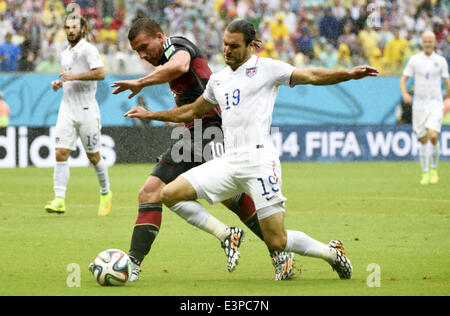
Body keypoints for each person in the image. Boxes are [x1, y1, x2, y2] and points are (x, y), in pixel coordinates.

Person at [125, 19, 379, 279]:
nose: (227, 50)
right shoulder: (219, 80)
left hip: (259, 160)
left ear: (251, 46)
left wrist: (348, 73)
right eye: (224, 44)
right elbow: (191, 110)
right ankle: (227, 234)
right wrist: (151, 115)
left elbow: (312, 76)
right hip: (228, 161)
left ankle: (331, 253)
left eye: (234, 46)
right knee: (168, 194)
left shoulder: (267, 68)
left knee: (278, 239)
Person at [111, 18, 294, 282]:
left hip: (213, 129)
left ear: (160, 37)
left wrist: (142, 82)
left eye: (144, 47)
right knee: (151, 192)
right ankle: (133, 264)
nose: (142, 55)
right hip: (194, 132)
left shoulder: (176, 45)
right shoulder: (165, 57)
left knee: (232, 197)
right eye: (136, 52)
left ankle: (277, 252)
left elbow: (181, 65)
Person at [44, 14, 112, 216]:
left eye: (74, 27)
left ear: (83, 29)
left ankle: (105, 193)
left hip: (87, 110)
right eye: (67, 27)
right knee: (60, 153)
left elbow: (100, 73)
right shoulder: (65, 53)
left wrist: (73, 77)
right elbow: (69, 75)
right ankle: (59, 199)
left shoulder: (88, 49)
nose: (70, 30)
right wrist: (61, 82)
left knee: (93, 156)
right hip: (66, 109)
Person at [400, 31, 450, 185]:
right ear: (422, 42)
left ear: (434, 42)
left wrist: (448, 96)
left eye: (430, 41)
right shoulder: (414, 60)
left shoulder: (441, 61)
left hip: (435, 103)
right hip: (419, 105)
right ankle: (425, 172)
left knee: (433, 136)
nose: (428, 43)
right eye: (425, 41)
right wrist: (405, 94)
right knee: (422, 140)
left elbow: (447, 81)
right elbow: (403, 80)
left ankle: (434, 169)